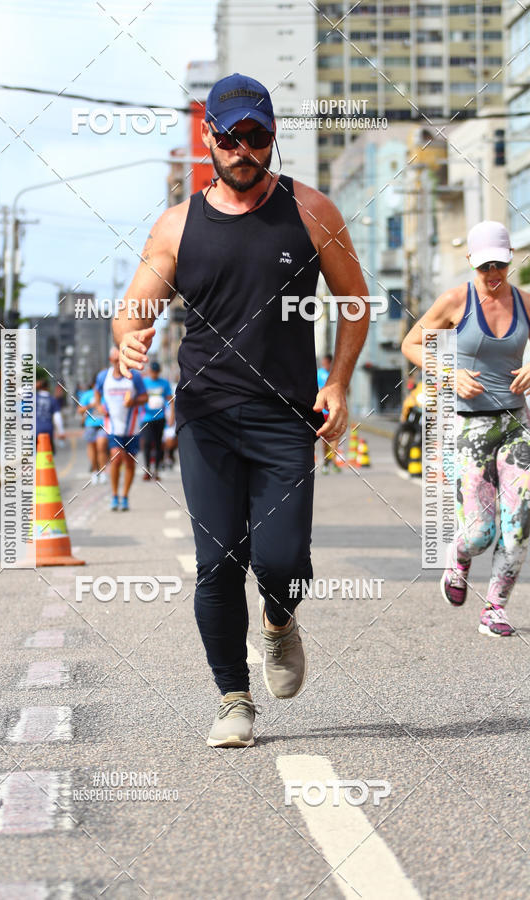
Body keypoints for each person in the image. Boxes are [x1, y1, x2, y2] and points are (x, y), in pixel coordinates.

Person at [114, 73, 369, 747]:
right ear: (210, 138)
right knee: (218, 561)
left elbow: (355, 302)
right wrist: (130, 337)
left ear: (272, 136)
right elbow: (132, 311)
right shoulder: (177, 226)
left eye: (256, 137)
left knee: (283, 560)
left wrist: (338, 383)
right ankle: (233, 697)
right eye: (230, 137)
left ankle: (280, 622)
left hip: (286, 416)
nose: (243, 149)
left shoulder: (311, 210)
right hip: (206, 417)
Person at [402, 220, 530, 637]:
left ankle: (494, 607)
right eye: (484, 266)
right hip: (469, 427)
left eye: (500, 265)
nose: (493, 274)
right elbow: (412, 344)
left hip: (516, 424)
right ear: (472, 263)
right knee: (479, 533)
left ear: (510, 260)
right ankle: (458, 559)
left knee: (520, 524)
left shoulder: (526, 302)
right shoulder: (456, 300)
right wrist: (450, 372)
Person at [94, 347, 147, 511]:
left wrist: (134, 402)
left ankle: (125, 496)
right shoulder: (104, 376)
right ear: (111, 360)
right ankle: (115, 495)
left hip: (132, 427)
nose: (120, 363)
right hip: (113, 427)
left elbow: (145, 397)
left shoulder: (134, 376)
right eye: (117, 360)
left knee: (130, 462)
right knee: (116, 459)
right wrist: (98, 406)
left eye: (122, 360)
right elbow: (96, 392)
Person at [141, 361, 174, 481]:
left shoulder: (164, 383)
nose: (154, 374)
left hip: (160, 418)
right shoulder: (144, 383)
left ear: (158, 372)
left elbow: (170, 400)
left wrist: (172, 416)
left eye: (156, 372)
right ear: (149, 371)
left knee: (158, 443)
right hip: (146, 418)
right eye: (152, 372)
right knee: (147, 443)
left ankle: (156, 470)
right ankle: (147, 469)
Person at [77, 376, 109, 485]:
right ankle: (95, 471)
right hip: (90, 425)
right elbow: (80, 410)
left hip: (104, 425)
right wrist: (91, 405)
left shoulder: (106, 394)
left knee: (102, 446)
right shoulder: (87, 395)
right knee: (92, 449)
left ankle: (103, 471)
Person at [317, 354, 341, 473]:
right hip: (323, 411)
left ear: (330, 363)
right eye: (323, 362)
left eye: (326, 362)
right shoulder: (319, 374)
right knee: (325, 438)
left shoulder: (335, 374)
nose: (324, 364)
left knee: (335, 436)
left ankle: (334, 462)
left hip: (334, 410)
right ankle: (326, 462)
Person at [36, 374, 65, 452]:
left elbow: (19, 392)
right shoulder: (52, 400)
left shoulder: (33, 398)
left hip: (34, 429)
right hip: (48, 429)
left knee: (36, 452)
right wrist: (61, 432)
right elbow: (57, 418)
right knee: (47, 453)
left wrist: (33, 386)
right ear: (48, 387)